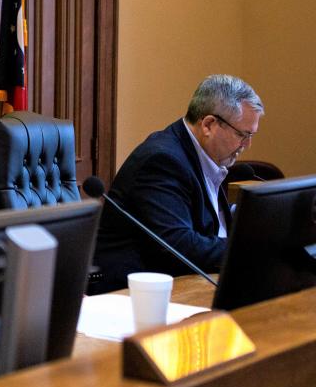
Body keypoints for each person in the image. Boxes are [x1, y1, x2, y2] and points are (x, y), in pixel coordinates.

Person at [91, 74, 264, 292]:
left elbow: (206, 226)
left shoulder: (206, 156)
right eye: (243, 134)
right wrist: (250, 247)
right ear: (209, 124)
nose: (247, 144)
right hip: (130, 296)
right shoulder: (162, 160)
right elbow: (178, 244)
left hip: (181, 283)